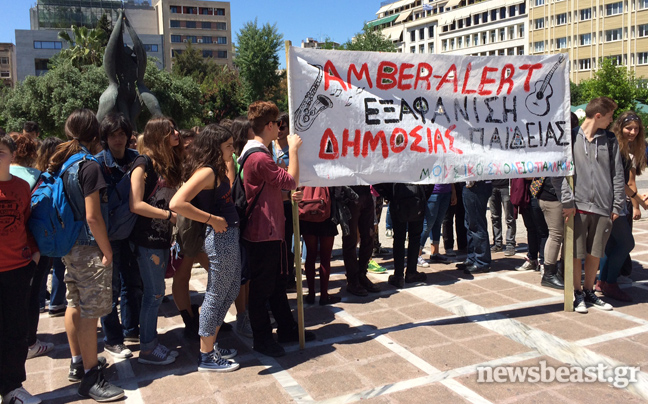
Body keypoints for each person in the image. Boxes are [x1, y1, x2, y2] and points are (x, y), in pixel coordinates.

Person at [51, 109, 124, 401]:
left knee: (76, 303)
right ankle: (92, 377)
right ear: (96, 134)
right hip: (89, 248)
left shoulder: (65, 163)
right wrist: (107, 252)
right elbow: (94, 217)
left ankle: (81, 360)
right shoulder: (89, 166)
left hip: (70, 246)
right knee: (91, 312)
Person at [240, 100, 315, 358]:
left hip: (269, 230)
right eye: (279, 126)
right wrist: (293, 150)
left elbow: (270, 191)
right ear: (270, 126)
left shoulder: (258, 153)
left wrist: (285, 198)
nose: (281, 130)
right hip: (263, 233)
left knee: (276, 285)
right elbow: (291, 180)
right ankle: (262, 339)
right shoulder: (259, 157)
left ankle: (286, 327)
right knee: (262, 290)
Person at [170, 124, 241, 372]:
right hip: (220, 237)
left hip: (228, 235)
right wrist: (212, 219)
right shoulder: (207, 172)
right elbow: (177, 202)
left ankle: (210, 345)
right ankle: (206, 354)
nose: (233, 150)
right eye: (228, 146)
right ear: (215, 147)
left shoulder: (216, 170)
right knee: (216, 294)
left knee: (230, 289)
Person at [561, 97, 624, 313]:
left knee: (595, 252)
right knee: (577, 253)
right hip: (577, 207)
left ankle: (589, 291)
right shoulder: (570, 138)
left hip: (603, 206)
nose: (611, 121)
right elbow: (561, 172)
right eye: (609, 117)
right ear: (598, 116)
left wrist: (617, 205)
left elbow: (617, 174)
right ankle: (577, 293)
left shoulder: (610, 139)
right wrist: (567, 200)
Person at [129, 116, 183, 364]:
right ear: (157, 134)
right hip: (146, 239)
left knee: (156, 293)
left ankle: (151, 343)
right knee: (153, 294)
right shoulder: (143, 163)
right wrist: (168, 215)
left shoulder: (166, 162)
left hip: (161, 239)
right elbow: (136, 204)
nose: (176, 132)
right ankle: (148, 348)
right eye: (169, 130)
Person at [95, 113, 142, 358]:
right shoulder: (97, 164)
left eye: (122, 134)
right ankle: (113, 339)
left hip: (132, 234)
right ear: (105, 138)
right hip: (109, 236)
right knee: (110, 290)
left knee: (133, 284)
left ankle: (131, 329)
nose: (118, 139)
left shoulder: (137, 160)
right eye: (113, 135)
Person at [0, 132, 42, 404]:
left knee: (16, 331)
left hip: (17, 269)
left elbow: (27, 224)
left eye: (0, 152)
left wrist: (33, 259)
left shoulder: (21, 187)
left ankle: (12, 388)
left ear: (12, 156)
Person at [597, 111, 647, 302]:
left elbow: (629, 182)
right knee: (627, 243)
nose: (633, 132)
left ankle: (603, 281)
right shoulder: (615, 147)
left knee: (611, 245)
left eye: (636, 128)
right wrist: (639, 202)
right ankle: (610, 284)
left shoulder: (627, 149)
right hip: (610, 203)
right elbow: (620, 182)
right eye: (629, 128)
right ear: (619, 127)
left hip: (614, 202)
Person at [34, 138, 67, 318]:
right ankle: (56, 302)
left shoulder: (37, 175)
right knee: (59, 266)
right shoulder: (59, 175)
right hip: (57, 227)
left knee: (42, 268)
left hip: (39, 229)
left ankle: (39, 302)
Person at [300, 187, 341, 305]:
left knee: (310, 255)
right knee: (325, 258)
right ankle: (324, 295)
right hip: (326, 213)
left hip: (307, 212)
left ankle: (311, 294)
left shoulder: (303, 168)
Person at [342, 184, 382, 296]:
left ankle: (362, 274)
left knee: (369, 236)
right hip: (349, 193)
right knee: (350, 239)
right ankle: (352, 280)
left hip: (366, 192)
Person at [457, 181, 493, 274]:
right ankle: (472, 257)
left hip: (476, 185)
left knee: (476, 224)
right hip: (471, 185)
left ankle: (482, 262)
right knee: (469, 223)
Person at [417, 183, 455, 267]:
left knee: (437, 223)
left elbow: (451, 173)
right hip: (433, 192)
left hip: (446, 191)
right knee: (427, 225)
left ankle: (435, 253)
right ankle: (417, 255)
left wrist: (453, 191)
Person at [488, 179, 516, 256]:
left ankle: (510, 244)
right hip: (492, 186)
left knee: (509, 218)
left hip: (506, 186)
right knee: (494, 217)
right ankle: (497, 243)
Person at [442, 181, 467, 256]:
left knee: (461, 217)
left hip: (462, 186)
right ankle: (448, 246)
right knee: (448, 219)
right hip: (450, 187)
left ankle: (463, 244)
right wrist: (453, 191)